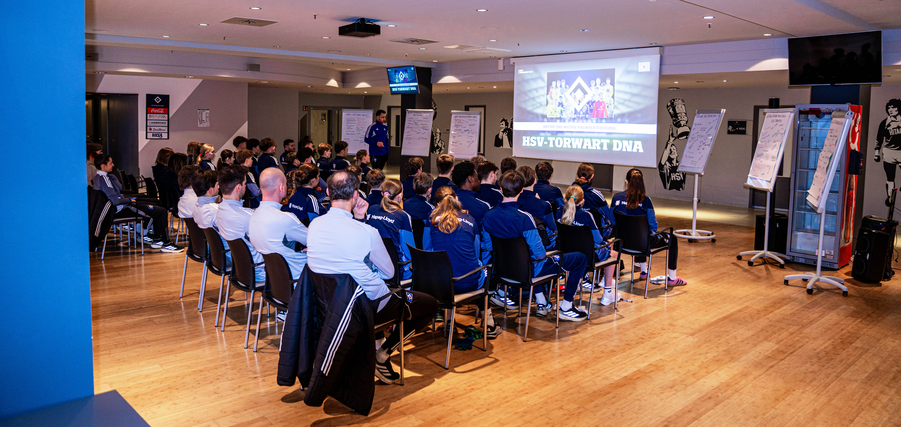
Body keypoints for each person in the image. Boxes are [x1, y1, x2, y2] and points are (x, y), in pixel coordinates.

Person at [306, 170, 438, 385]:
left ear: (328, 192)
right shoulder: (367, 232)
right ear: (356, 195)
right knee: (430, 305)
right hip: (367, 306)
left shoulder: (315, 225)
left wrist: (360, 219)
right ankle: (383, 353)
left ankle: (375, 344)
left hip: (332, 307)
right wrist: (361, 222)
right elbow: (388, 273)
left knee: (377, 292)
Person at [482, 170, 588, 321]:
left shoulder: (488, 215)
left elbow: (489, 246)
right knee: (580, 258)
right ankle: (566, 307)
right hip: (527, 270)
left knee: (530, 258)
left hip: (501, 269)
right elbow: (540, 254)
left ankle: (542, 301)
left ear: (500, 189)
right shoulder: (525, 219)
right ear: (521, 190)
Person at [423, 186, 499, 338]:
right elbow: (475, 254)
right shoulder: (470, 220)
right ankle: (489, 324)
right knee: (481, 272)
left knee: (446, 270)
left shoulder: (431, 221)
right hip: (466, 283)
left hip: (438, 286)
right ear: (456, 199)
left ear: (437, 203)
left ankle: (449, 321)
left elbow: (426, 250)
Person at [93, 154, 182, 253]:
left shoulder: (101, 177)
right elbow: (115, 201)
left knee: (157, 205)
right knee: (162, 211)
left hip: (120, 207)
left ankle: (157, 239)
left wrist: (114, 179)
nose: (113, 165)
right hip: (120, 209)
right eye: (110, 163)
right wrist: (129, 200)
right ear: (103, 166)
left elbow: (119, 190)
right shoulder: (104, 179)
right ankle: (166, 244)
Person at [611, 168, 685, 286]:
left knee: (637, 233)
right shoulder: (646, 201)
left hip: (622, 243)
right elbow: (653, 225)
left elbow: (612, 220)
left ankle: (644, 271)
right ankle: (672, 278)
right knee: (672, 239)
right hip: (642, 243)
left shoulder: (616, 198)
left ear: (626, 182)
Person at [559, 185, 619, 306]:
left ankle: (584, 279)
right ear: (582, 201)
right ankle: (607, 293)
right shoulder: (586, 216)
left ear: (565, 199)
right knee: (613, 253)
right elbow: (598, 239)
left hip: (566, 255)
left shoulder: (558, 213)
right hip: (588, 257)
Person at [248, 168, 309, 279]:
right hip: (299, 278)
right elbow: (314, 241)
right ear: (281, 187)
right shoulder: (285, 219)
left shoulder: (253, 217)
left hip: (274, 280)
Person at [216, 165, 265, 284]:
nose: (245, 186)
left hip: (240, 269)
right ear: (238, 187)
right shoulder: (247, 216)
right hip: (260, 271)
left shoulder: (219, 210)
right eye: (244, 183)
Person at [366, 179, 415, 281]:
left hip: (372, 267)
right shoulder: (403, 216)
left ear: (382, 193)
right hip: (397, 270)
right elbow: (409, 249)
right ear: (400, 195)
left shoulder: (371, 209)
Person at [517, 166, 557, 250]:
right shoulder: (544, 205)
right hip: (539, 247)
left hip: (517, 247)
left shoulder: (512, 202)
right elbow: (554, 229)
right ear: (535, 180)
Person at [875, 99, 901, 206]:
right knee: (890, 177)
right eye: (889, 108)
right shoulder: (884, 123)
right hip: (889, 152)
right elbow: (879, 139)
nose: (891, 110)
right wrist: (876, 153)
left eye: (893, 108)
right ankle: (890, 197)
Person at [450, 161, 491, 225]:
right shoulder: (483, 206)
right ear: (470, 179)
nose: (479, 181)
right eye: (477, 177)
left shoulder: (448, 202)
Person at [574, 163, 613, 228]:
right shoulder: (597, 195)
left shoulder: (570, 192)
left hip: (572, 230)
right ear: (592, 176)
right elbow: (608, 215)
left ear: (577, 174)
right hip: (594, 231)